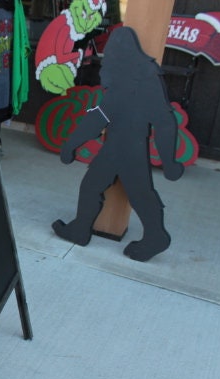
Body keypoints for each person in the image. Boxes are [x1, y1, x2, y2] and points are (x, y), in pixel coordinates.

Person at [52, 26, 185, 262]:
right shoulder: (131, 78)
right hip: (120, 145)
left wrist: (169, 162)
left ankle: (155, 236)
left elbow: (163, 122)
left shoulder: (140, 79)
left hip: (129, 147)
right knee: (95, 186)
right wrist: (70, 144)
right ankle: (81, 229)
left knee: (138, 193)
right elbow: (101, 116)